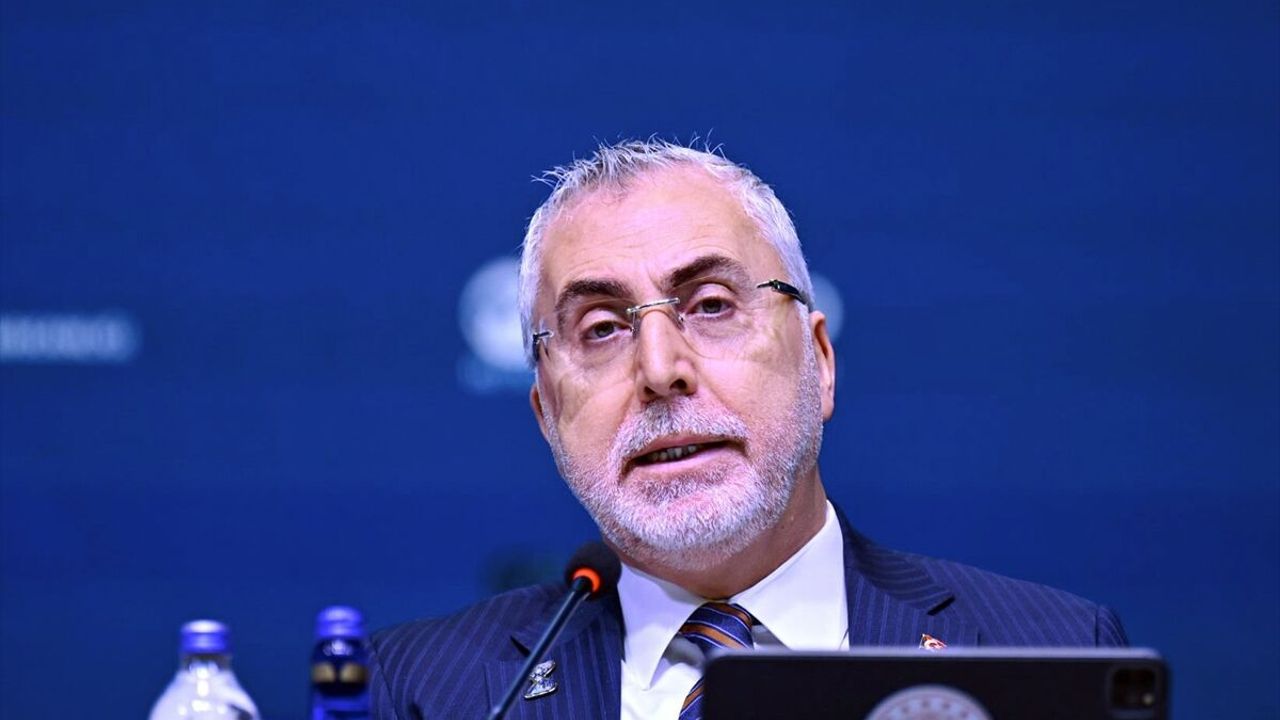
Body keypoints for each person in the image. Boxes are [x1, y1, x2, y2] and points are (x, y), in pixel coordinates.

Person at [367, 140, 1128, 719]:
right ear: (546, 415)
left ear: (819, 362)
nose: (659, 369)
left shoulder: (1053, 651)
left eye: (711, 306)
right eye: (601, 328)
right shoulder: (416, 691)